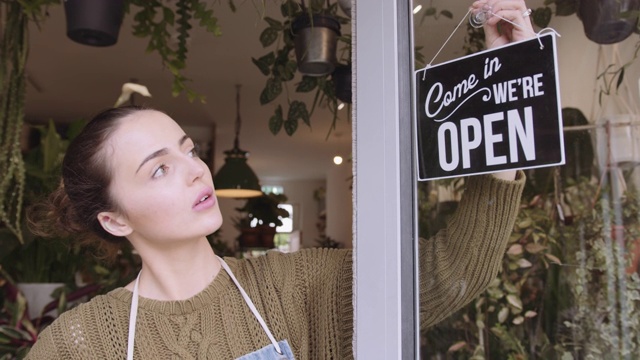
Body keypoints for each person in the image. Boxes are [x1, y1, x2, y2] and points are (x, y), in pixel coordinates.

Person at [25, 1, 533, 358]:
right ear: (114, 219)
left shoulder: (300, 289)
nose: (197, 168)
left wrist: (507, 80)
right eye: (159, 168)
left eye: (188, 150)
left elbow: (451, 272)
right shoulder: (81, 344)